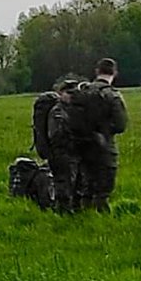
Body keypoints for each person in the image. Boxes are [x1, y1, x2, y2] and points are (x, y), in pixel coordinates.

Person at [78, 58, 129, 211]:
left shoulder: (83, 92)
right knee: (104, 185)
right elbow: (121, 125)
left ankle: (83, 214)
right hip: (105, 144)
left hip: (82, 143)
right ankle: (100, 214)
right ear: (115, 73)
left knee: (86, 182)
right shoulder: (112, 95)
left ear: (97, 71)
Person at [46, 79, 83, 213]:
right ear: (61, 93)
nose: (72, 96)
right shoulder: (58, 111)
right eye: (69, 92)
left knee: (78, 186)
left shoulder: (75, 109)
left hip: (75, 153)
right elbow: (56, 135)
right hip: (62, 154)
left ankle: (75, 212)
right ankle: (62, 212)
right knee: (64, 186)